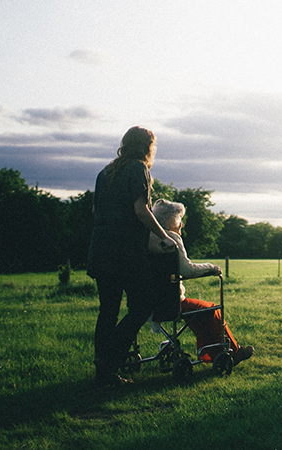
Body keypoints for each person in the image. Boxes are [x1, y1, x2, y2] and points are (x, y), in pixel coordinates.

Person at [87, 126, 177, 387]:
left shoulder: (104, 173)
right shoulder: (139, 169)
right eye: (153, 145)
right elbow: (141, 210)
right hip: (125, 253)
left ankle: (103, 372)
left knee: (108, 311)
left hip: (101, 250)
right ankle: (109, 360)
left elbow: (96, 210)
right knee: (141, 308)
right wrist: (164, 236)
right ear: (147, 146)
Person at [148, 198, 254, 366]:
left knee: (198, 311)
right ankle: (233, 351)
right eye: (179, 219)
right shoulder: (172, 239)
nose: (181, 224)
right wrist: (211, 267)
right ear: (171, 220)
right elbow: (187, 270)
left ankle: (210, 354)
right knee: (211, 309)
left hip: (148, 303)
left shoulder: (148, 238)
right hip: (171, 303)